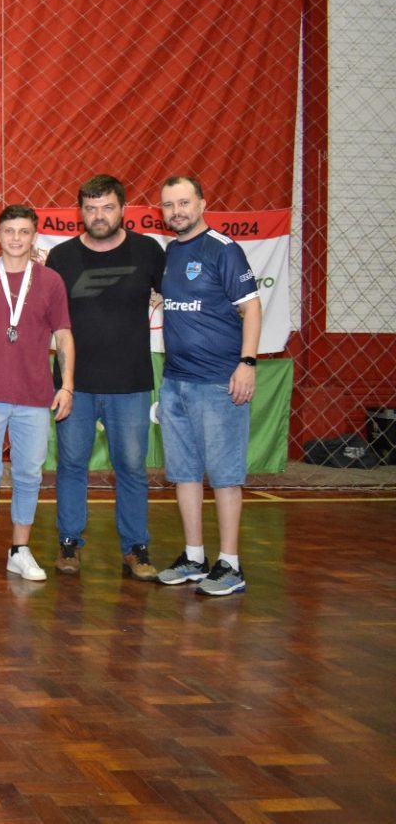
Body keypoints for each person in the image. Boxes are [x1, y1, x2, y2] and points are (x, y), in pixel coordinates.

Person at [45, 176, 165, 580]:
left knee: (131, 467)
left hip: (130, 383)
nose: (99, 216)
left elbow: (179, 295)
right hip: (74, 384)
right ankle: (69, 543)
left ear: (123, 209)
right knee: (71, 464)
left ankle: (136, 548)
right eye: (91, 209)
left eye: (108, 207)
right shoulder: (61, 257)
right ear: (80, 211)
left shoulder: (148, 251)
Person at [154, 176, 260, 597]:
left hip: (219, 382)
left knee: (225, 476)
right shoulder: (170, 253)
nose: (176, 211)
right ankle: (195, 557)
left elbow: (252, 308)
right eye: (168, 205)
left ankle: (230, 564)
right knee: (184, 473)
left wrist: (247, 363)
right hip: (176, 381)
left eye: (184, 202)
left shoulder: (223, 249)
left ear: (201, 203)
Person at [0, 205, 74, 582]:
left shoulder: (51, 281)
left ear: (34, 236)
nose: (16, 238)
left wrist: (67, 384)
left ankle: (19, 550)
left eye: (24, 231)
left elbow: (64, 335)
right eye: (9, 231)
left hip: (34, 395)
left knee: (28, 474)